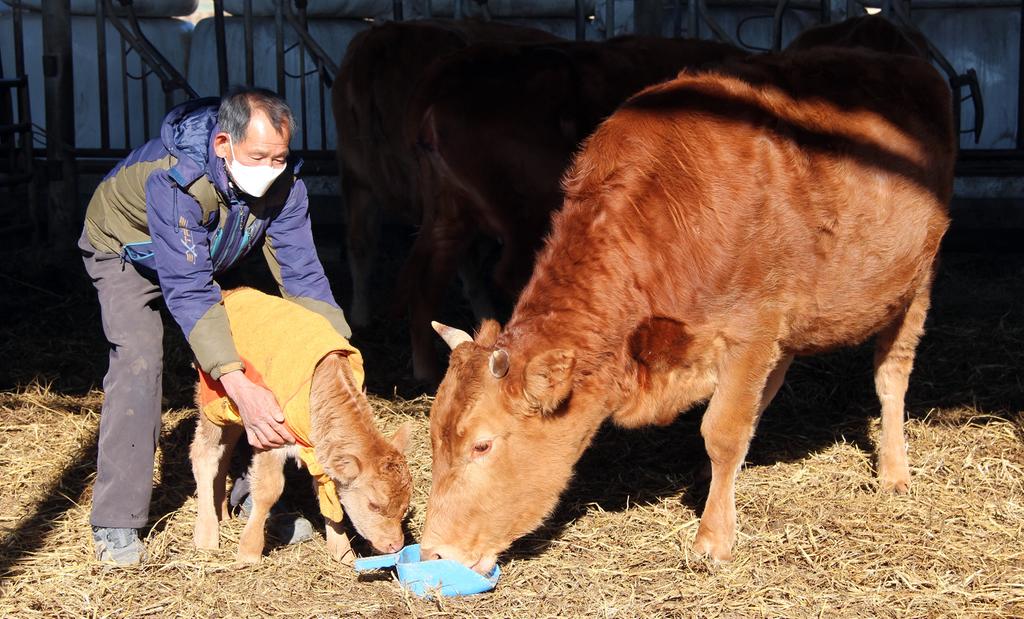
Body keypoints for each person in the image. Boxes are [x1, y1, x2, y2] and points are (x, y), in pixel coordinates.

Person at [79, 87, 351, 565]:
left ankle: (253, 492)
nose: (270, 168)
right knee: (141, 358)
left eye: (280, 157)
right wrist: (234, 380)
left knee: (263, 345)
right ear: (224, 144)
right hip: (128, 250)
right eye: (258, 156)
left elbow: (302, 274)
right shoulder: (176, 182)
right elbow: (187, 289)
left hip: (217, 247)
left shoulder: (284, 185)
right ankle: (117, 519)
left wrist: (337, 355)